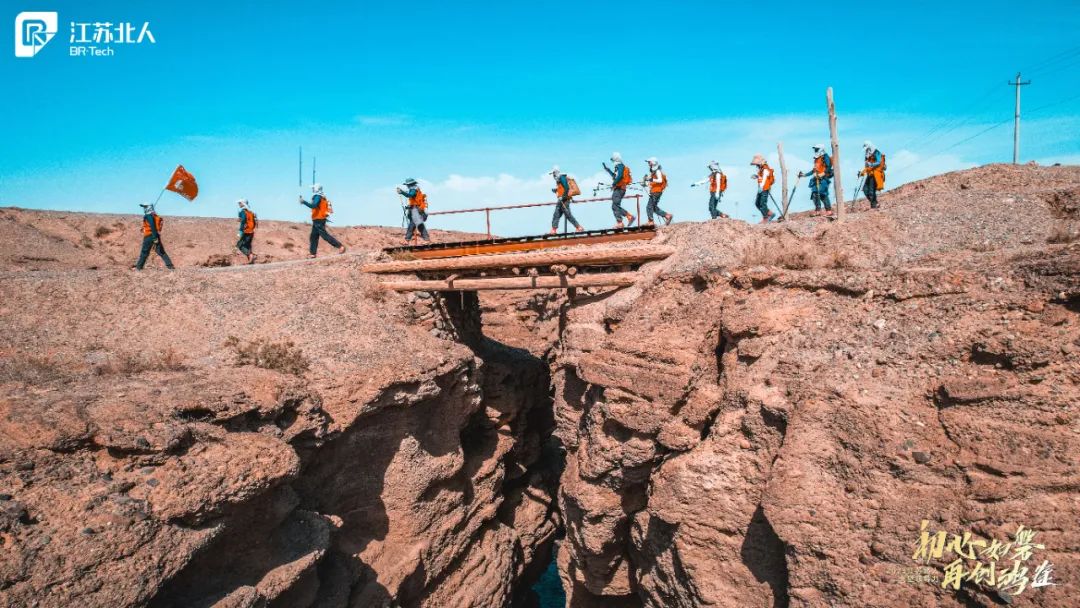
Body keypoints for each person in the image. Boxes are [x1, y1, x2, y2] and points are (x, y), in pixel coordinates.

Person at [299, 183, 346, 258]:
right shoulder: (322, 196)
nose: (312, 189)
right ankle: (313, 254)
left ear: (316, 189)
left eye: (313, 188)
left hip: (319, 219)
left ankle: (340, 246)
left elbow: (313, 205)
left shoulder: (317, 196)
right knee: (313, 236)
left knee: (324, 236)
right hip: (318, 219)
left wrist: (303, 202)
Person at [133, 203, 175, 270]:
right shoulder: (154, 215)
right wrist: (154, 236)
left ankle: (138, 268)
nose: (144, 208)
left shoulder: (148, 216)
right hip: (155, 235)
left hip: (149, 236)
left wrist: (154, 237)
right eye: (144, 207)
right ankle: (171, 267)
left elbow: (153, 226)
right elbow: (152, 225)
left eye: (145, 207)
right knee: (161, 252)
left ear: (149, 207)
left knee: (144, 252)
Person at [602, 152, 635, 228]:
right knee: (615, 206)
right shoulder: (619, 166)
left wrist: (614, 184)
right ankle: (626, 218)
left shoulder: (619, 165)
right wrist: (608, 170)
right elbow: (615, 176)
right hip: (620, 188)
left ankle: (622, 221)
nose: (612, 161)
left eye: (613, 160)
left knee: (615, 206)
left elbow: (619, 176)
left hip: (619, 188)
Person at [798, 144, 833, 217]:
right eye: (815, 149)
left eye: (816, 149)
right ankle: (818, 211)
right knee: (815, 194)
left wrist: (823, 174)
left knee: (822, 194)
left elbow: (828, 167)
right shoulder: (817, 159)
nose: (815, 150)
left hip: (823, 179)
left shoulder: (825, 157)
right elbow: (814, 170)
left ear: (821, 149)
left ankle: (828, 211)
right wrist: (804, 175)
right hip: (816, 179)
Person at [549, 166, 584, 234]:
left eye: (553, 174)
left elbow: (567, 188)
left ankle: (579, 227)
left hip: (565, 200)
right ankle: (553, 230)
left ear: (556, 173)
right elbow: (562, 188)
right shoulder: (559, 179)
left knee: (567, 214)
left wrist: (563, 197)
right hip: (561, 200)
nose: (553, 176)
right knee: (556, 214)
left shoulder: (562, 177)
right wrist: (556, 190)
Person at [396, 178, 430, 244]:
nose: (407, 186)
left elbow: (410, 195)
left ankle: (406, 240)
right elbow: (414, 201)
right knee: (420, 226)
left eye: (407, 185)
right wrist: (409, 206)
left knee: (412, 225)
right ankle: (427, 239)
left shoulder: (414, 189)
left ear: (411, 184)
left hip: (418, 211)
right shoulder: (415, 190)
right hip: (418, 210)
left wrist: (402, 192)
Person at [644, 157, 673, 226]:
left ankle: (650, 222)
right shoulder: (654, 172)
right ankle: (667, 216)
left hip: (656, 191)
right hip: (655, 191)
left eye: (649, 162)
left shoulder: (657, 171)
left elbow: (660, 180)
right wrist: (645, 183)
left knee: (649, 207)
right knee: (654, 207)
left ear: (653, 163)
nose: (648, 164)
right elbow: (653, 182)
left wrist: (650, 179)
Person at [859, 141, 885, 209]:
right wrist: (862, 173)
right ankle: (875, 203)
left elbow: (879, 162)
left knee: (871, 191)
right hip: (870, 174)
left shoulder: (876, 152)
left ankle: (874, 206)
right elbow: (867, 167)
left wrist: (871, 164)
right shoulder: (867, 155)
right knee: (865, 189)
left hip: (876, 174)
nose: (866, 150)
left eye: (867, 148)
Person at [750, 154, 775, 223]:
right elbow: (761, 177)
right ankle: (770, 213)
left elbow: (764, 179)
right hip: (761, 188)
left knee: (762, 204)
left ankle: (765, 218)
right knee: (757, 203)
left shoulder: (765, 169)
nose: (756, 165)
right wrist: (756, 176)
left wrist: (761, 187)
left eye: (757, 164)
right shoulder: (761, 169)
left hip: (764, 188)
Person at [236, 199, 258, 264]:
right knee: (248, 245)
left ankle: (251, 255)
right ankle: (251, 261)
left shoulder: (243, 211)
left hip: (246, 231)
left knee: (240, 245)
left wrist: (240, 231)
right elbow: (254, 222)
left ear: (243, 204)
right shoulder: (251, 212)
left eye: (240, 203)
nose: (239, 204)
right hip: (251, 231)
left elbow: (243, 221)